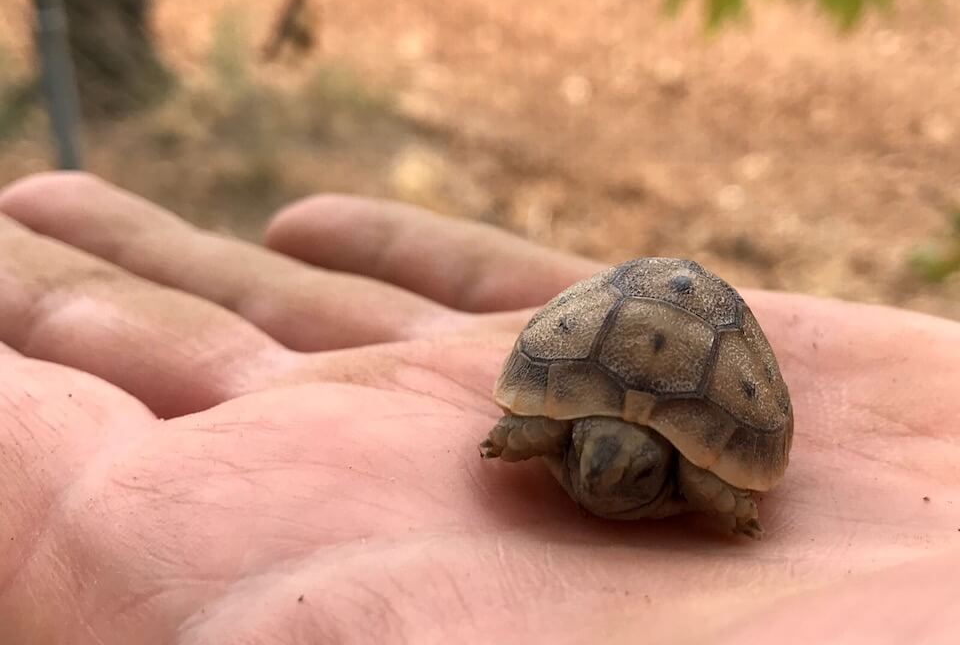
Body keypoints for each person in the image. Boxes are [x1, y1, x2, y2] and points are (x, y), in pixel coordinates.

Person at [0, 172, 957, 644]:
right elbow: (534, 420)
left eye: (618, 469)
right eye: (588, 455)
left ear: (668, 467)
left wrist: (728, 502)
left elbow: (721, 475)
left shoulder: (695, 471)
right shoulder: (563, 438)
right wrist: (522, 434)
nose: (595, 477)